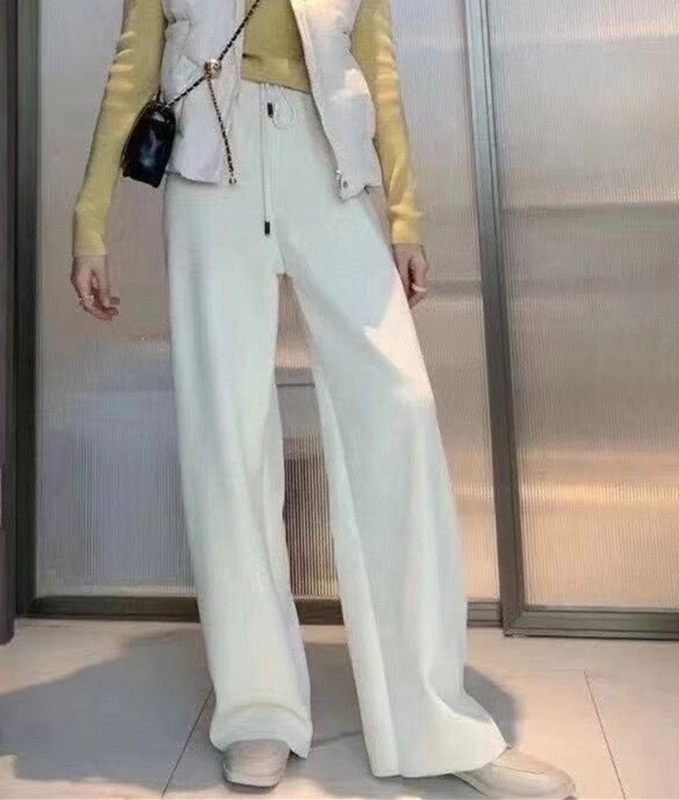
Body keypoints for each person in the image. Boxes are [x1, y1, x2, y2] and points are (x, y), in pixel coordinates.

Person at [70, 0, 577, 796]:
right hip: (210, 167)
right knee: (227, 438)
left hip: (323, 154)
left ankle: (435, 720)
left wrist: (405, 217)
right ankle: (259, 710)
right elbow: (132, 68)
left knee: (399, 408)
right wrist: (89, 222)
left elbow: (378, 70)